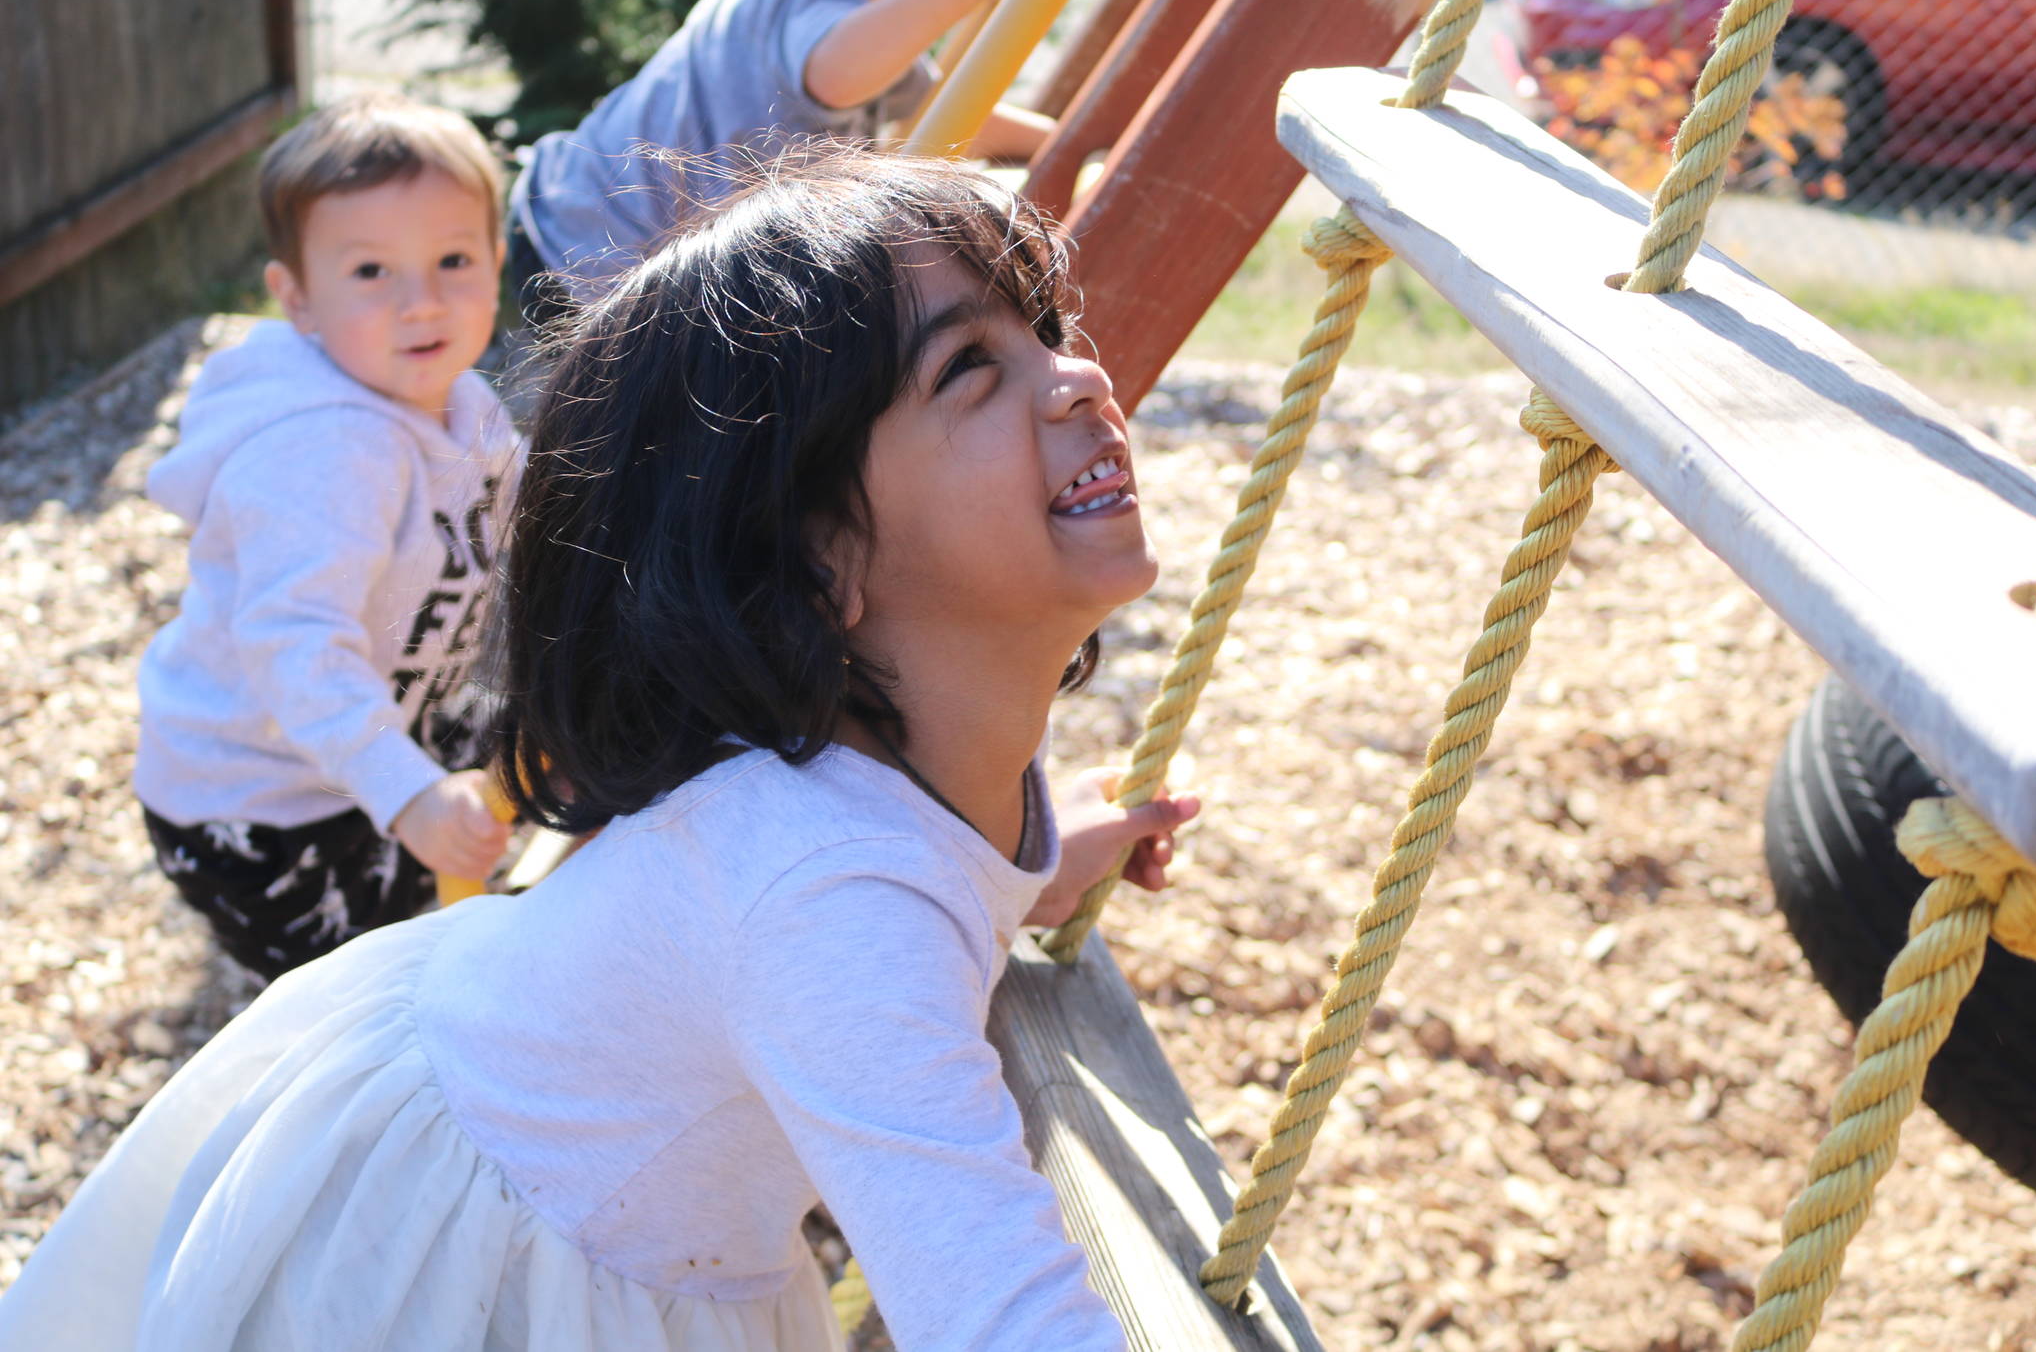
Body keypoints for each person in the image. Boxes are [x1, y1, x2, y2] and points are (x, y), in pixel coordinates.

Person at [0, 148, 1197, 1350]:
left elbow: (826, 910)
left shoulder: (882, 785)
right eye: (969, 367)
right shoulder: (828, 897)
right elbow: (1005, 1313)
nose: (1078, 378)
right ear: (818, 553)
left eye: (1044, 325)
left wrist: (1027, 875)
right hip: (471, 1279)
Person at [133, 94, 522, 980]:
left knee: (537, 749)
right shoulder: (325, 452)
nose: (421, 303)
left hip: (383, 727)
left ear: (497, 262)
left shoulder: (461, 400)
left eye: (453, 260)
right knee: (351, 997)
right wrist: (413, 797)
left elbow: (524, 499)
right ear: (297, 298)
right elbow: (295, 648)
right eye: (372, 272)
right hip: (261, 808)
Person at [506, 0, 1055, 318]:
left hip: (597, 241)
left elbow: (943, 108)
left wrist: (1056, 142)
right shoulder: (800, 3)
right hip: (585, 245)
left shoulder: (855, 32)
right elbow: (836, 73)